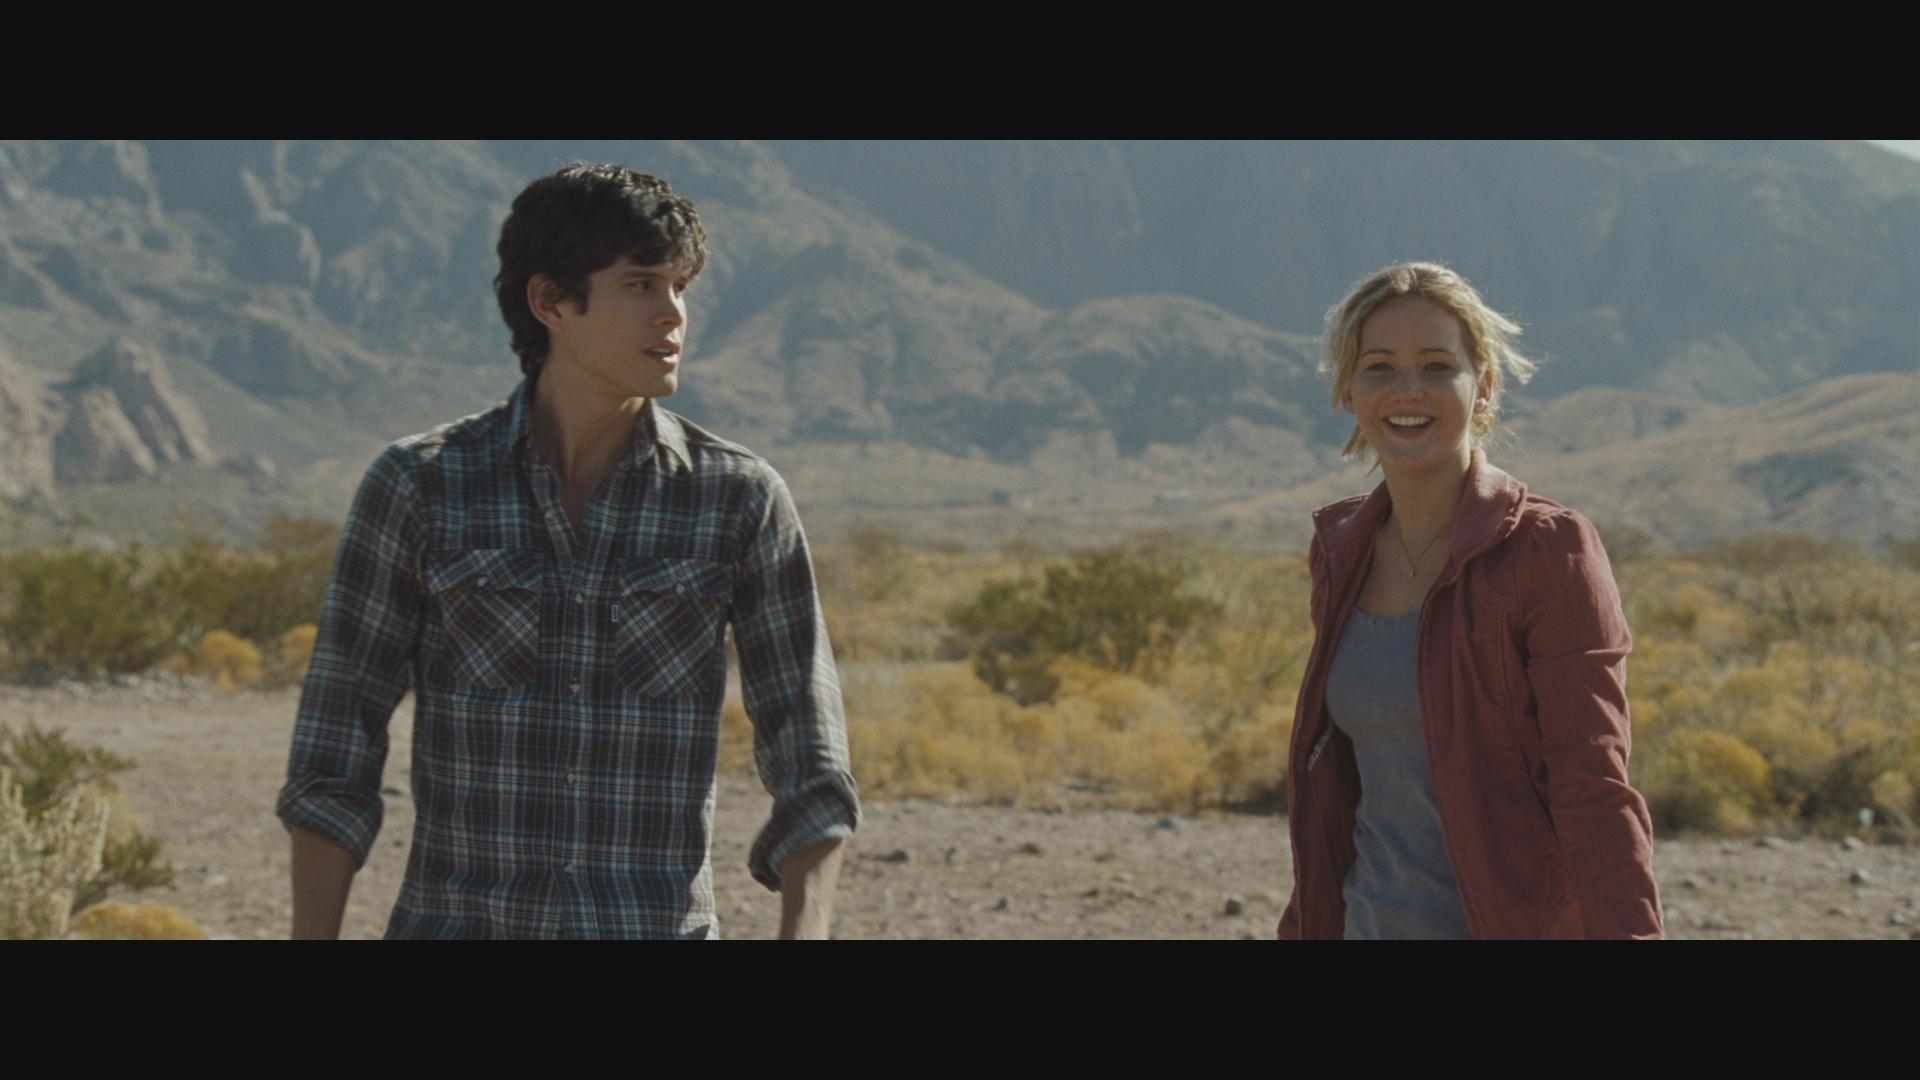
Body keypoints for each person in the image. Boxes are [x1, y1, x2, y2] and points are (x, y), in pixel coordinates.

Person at [278, 163, 859, 939]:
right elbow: (333, 755)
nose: (673, 314)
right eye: (641, 285)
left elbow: (812, 766)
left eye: (681, 287)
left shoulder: (737, 499)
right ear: (550, 301)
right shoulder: (422, 487)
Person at [1277, 262, 1661, 939]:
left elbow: (1594, 788)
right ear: (1348, 391)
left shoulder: (1548, 550)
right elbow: (1340, 796)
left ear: (1482, 387)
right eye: (1379, 367)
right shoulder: (1341, 551)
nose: (1408, 390)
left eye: (1436, 366)